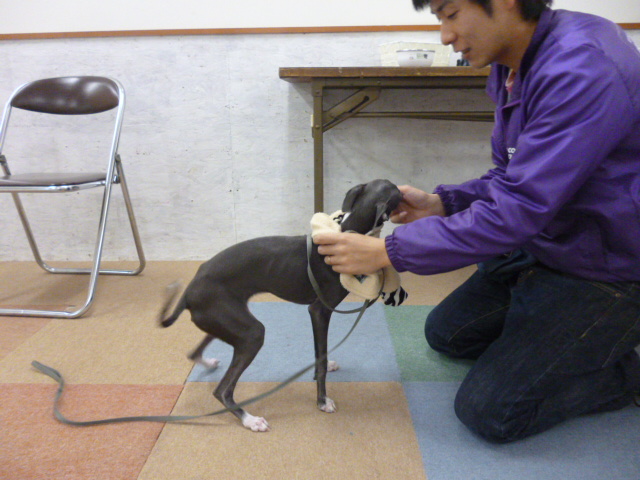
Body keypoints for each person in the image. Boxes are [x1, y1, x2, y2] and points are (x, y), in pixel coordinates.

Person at [314, 0, 640, 443]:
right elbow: (512, 176)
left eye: (450, 14)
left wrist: (389, 251)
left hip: (611, 264)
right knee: (448, 335)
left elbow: (518, 208)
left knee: (490, 411)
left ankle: (625, 372)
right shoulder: (512, 63)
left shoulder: (582, 68)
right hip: (549, 244)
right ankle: (562, 337)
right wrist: (442, 203)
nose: (445, 35)